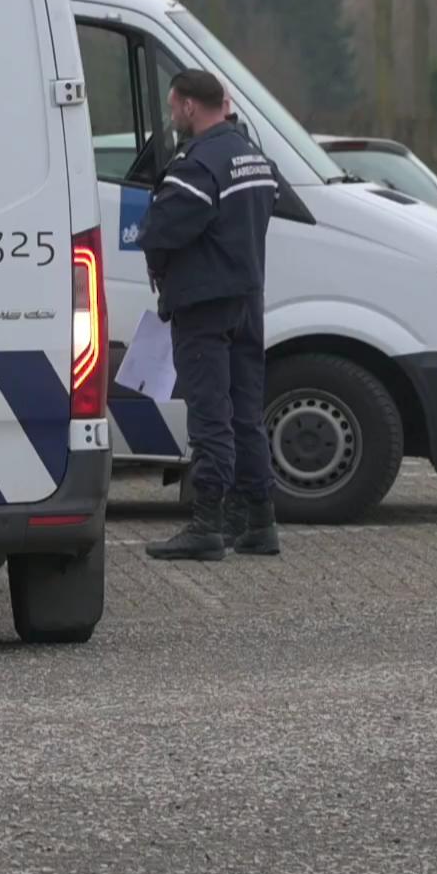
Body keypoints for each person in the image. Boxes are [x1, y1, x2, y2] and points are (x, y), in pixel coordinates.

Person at [140, 69, 282, 561]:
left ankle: (206, 526)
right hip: (247, 300)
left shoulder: (197, 165)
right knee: (246, 414)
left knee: (210, 417)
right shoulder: (253, 157)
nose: (172, 116)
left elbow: (159, 231)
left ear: (188, 106)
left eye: (172, 107)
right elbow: (270, 205)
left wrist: (160, 265)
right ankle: (260, 522)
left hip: (203, 305)